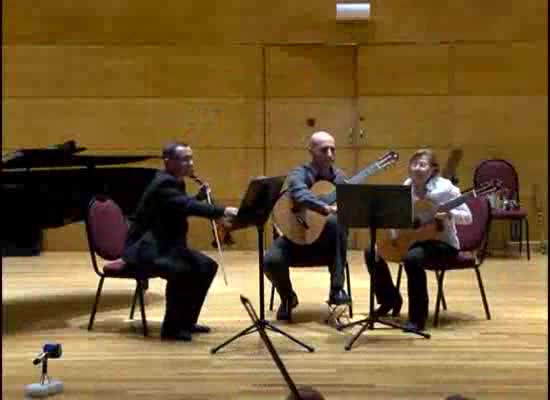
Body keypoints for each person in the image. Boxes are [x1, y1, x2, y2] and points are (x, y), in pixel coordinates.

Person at [122, 142, 238, 341]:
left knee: (206, 266)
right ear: (168, 161)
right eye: (185, 159)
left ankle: (187, 321)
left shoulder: (174, 181)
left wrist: (198, 198)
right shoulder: (163, 183)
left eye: (191, 158)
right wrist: (222, 210)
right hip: (146, 248)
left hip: (164, 245)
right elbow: (183, 204)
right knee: (181, 270)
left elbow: (177, 207)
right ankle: (171, 329)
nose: (190, 163)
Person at [365, 148, 472, 331]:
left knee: (412, 259)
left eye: (422, 165)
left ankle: (417, 318)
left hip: (443, 244)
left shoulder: (446, 188)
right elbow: (398, 217)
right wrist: (390, 238)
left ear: (433, 169)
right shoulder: (407, 186)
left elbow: (468, 217)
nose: (417, 168)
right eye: (413, 164)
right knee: (370, 252)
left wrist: (449, 214)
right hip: (412, 240)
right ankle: (389, 299)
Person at [264, 131, 351, 321]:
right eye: (323, 150)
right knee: (270, 260)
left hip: (327, 248)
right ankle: (288, 298)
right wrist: (324, 207)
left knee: (337, 223)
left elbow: (351, 208)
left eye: (332, 149)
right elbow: (300, 193)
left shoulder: (341, 178)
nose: (329, 154)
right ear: (311, 151)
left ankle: (336, 290)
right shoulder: (299, 174)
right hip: (295, 240)